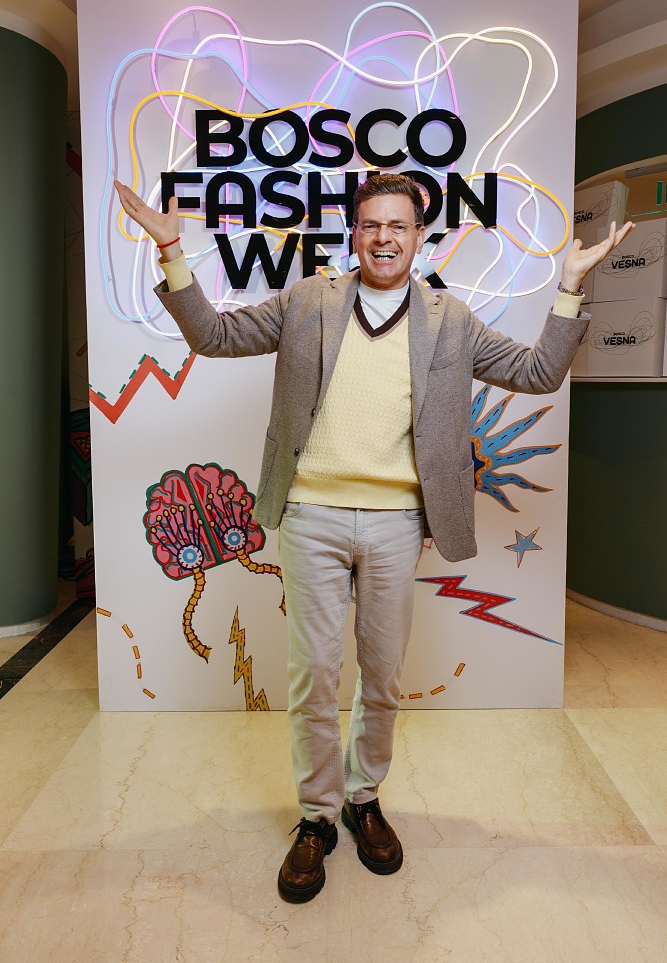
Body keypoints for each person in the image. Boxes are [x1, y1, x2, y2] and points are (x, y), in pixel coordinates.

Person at [114, 173, 633, 902]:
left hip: (396, 524)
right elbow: (214, 335)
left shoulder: (451, 319)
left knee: (381, 676)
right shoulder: (307, 301)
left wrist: (570, 285)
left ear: (419, 237)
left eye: (398, 226)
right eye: (371, 225)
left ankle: (364, 799)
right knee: (313, 676)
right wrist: (171, 250)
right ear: (353, 233)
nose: (384, 237)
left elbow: (540, 372)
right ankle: (317, 816)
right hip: (311, 516)